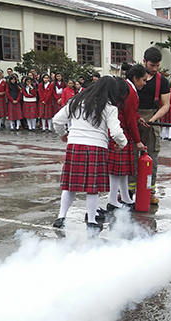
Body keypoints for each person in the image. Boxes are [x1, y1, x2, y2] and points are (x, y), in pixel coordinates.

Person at [52, 76, 127, 233]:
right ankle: (92, 221)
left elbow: (57, 120)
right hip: (96, 148)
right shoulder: (109, 108)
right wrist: (122, 144)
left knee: (70, 185)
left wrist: (63, 134)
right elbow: (116, 131)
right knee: (93, 188)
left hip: (75, 145)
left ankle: (61, 217)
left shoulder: (76, 101)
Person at [131, 46, 171, 205]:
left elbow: (165, 105)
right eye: (151, 65)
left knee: (151, 158)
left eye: (157, 65)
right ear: (144, 62)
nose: (154, 69)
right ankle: (128, 191)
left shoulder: (163, 81)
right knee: (131, 157)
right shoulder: (134, 76)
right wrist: (135, 118)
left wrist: (153, 119)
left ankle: (150, 191)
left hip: (152, 117)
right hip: (133, 117)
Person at [106, 65, 148, 212]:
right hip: (120, 132)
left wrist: (138, 117)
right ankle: (112, 199)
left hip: (122, 131)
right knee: (117, 170)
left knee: (122, 170)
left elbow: (130, 113)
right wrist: (138, 141)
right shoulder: (130, 92)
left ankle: (125, 197)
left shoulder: (129, 89)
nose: (145, 83)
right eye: (143, 80)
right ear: (135, 78)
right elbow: (129, 119)